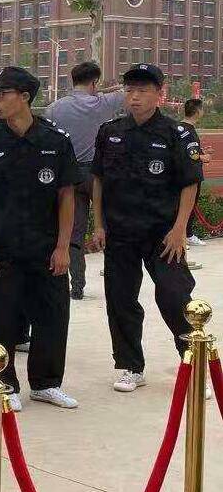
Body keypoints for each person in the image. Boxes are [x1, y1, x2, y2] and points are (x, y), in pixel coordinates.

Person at [0, 66, 81, 413]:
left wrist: (63, 247)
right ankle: (5, 384)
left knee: (53, 317)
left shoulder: (55, 141)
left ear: (25, 97)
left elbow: (66, 196)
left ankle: (46, 383)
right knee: (1, 320)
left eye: (3, 94)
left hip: (46, 250)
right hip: (2, 250)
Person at [91, 64, 204, 394]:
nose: (134, 97)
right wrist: (99, 225)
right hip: (121, 233)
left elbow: (190, 183)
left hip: (163, 234)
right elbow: (98, 180)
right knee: (121, 300)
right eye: (129, 90)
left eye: (142, 91)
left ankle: (193, 363)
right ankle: (130, 366)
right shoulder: (110, 132)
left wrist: (180, 229)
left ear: (159, 94)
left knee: (174, 295)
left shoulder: (177, 133)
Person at [45, 62, 125, 299]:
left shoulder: (54, 108)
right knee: (109, 228)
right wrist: (107, 90)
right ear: (94, 82)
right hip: (98, 173)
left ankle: (77, 285)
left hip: (70, 175)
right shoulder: (103, 103)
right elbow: (126, 93)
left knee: (74, 232)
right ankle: (116, 279)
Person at [181, 98, 211, 247]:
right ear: (198, 111)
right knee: (186, 205)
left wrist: (201, 151)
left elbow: (190, 149)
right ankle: (181, 236)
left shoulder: (181, 127)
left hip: (187, 174)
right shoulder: (188, 131)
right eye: (202, 109)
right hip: (189, 175)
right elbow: (188, 154)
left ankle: (187, 234)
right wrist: (204, 157)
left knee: (188, 206)